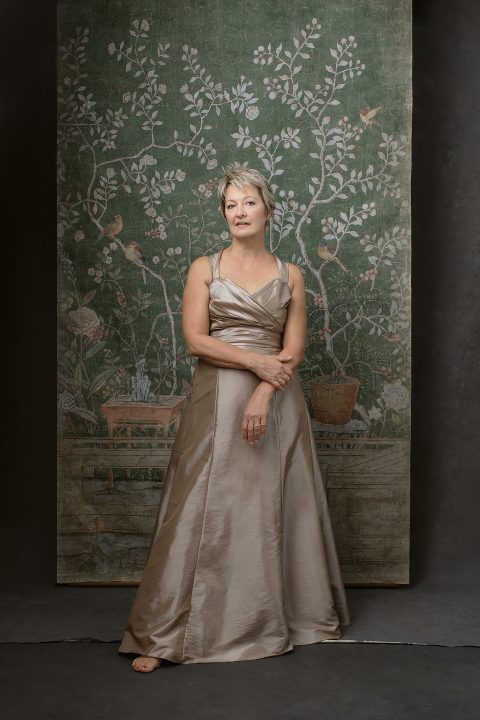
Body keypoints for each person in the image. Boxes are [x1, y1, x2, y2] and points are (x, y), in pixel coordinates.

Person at [118, 166, 351, 672]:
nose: (239, 213)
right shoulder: (205, 267)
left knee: (268, 510)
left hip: (278, 397)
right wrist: (254, 363)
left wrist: (265, 390)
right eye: (230, 205)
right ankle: (167, 635)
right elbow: (196, 340)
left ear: (267, 209)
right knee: (198, 507)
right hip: (217, 393)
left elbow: (293, 350)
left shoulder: (292, 275)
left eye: (247, 203)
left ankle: (268, 620)